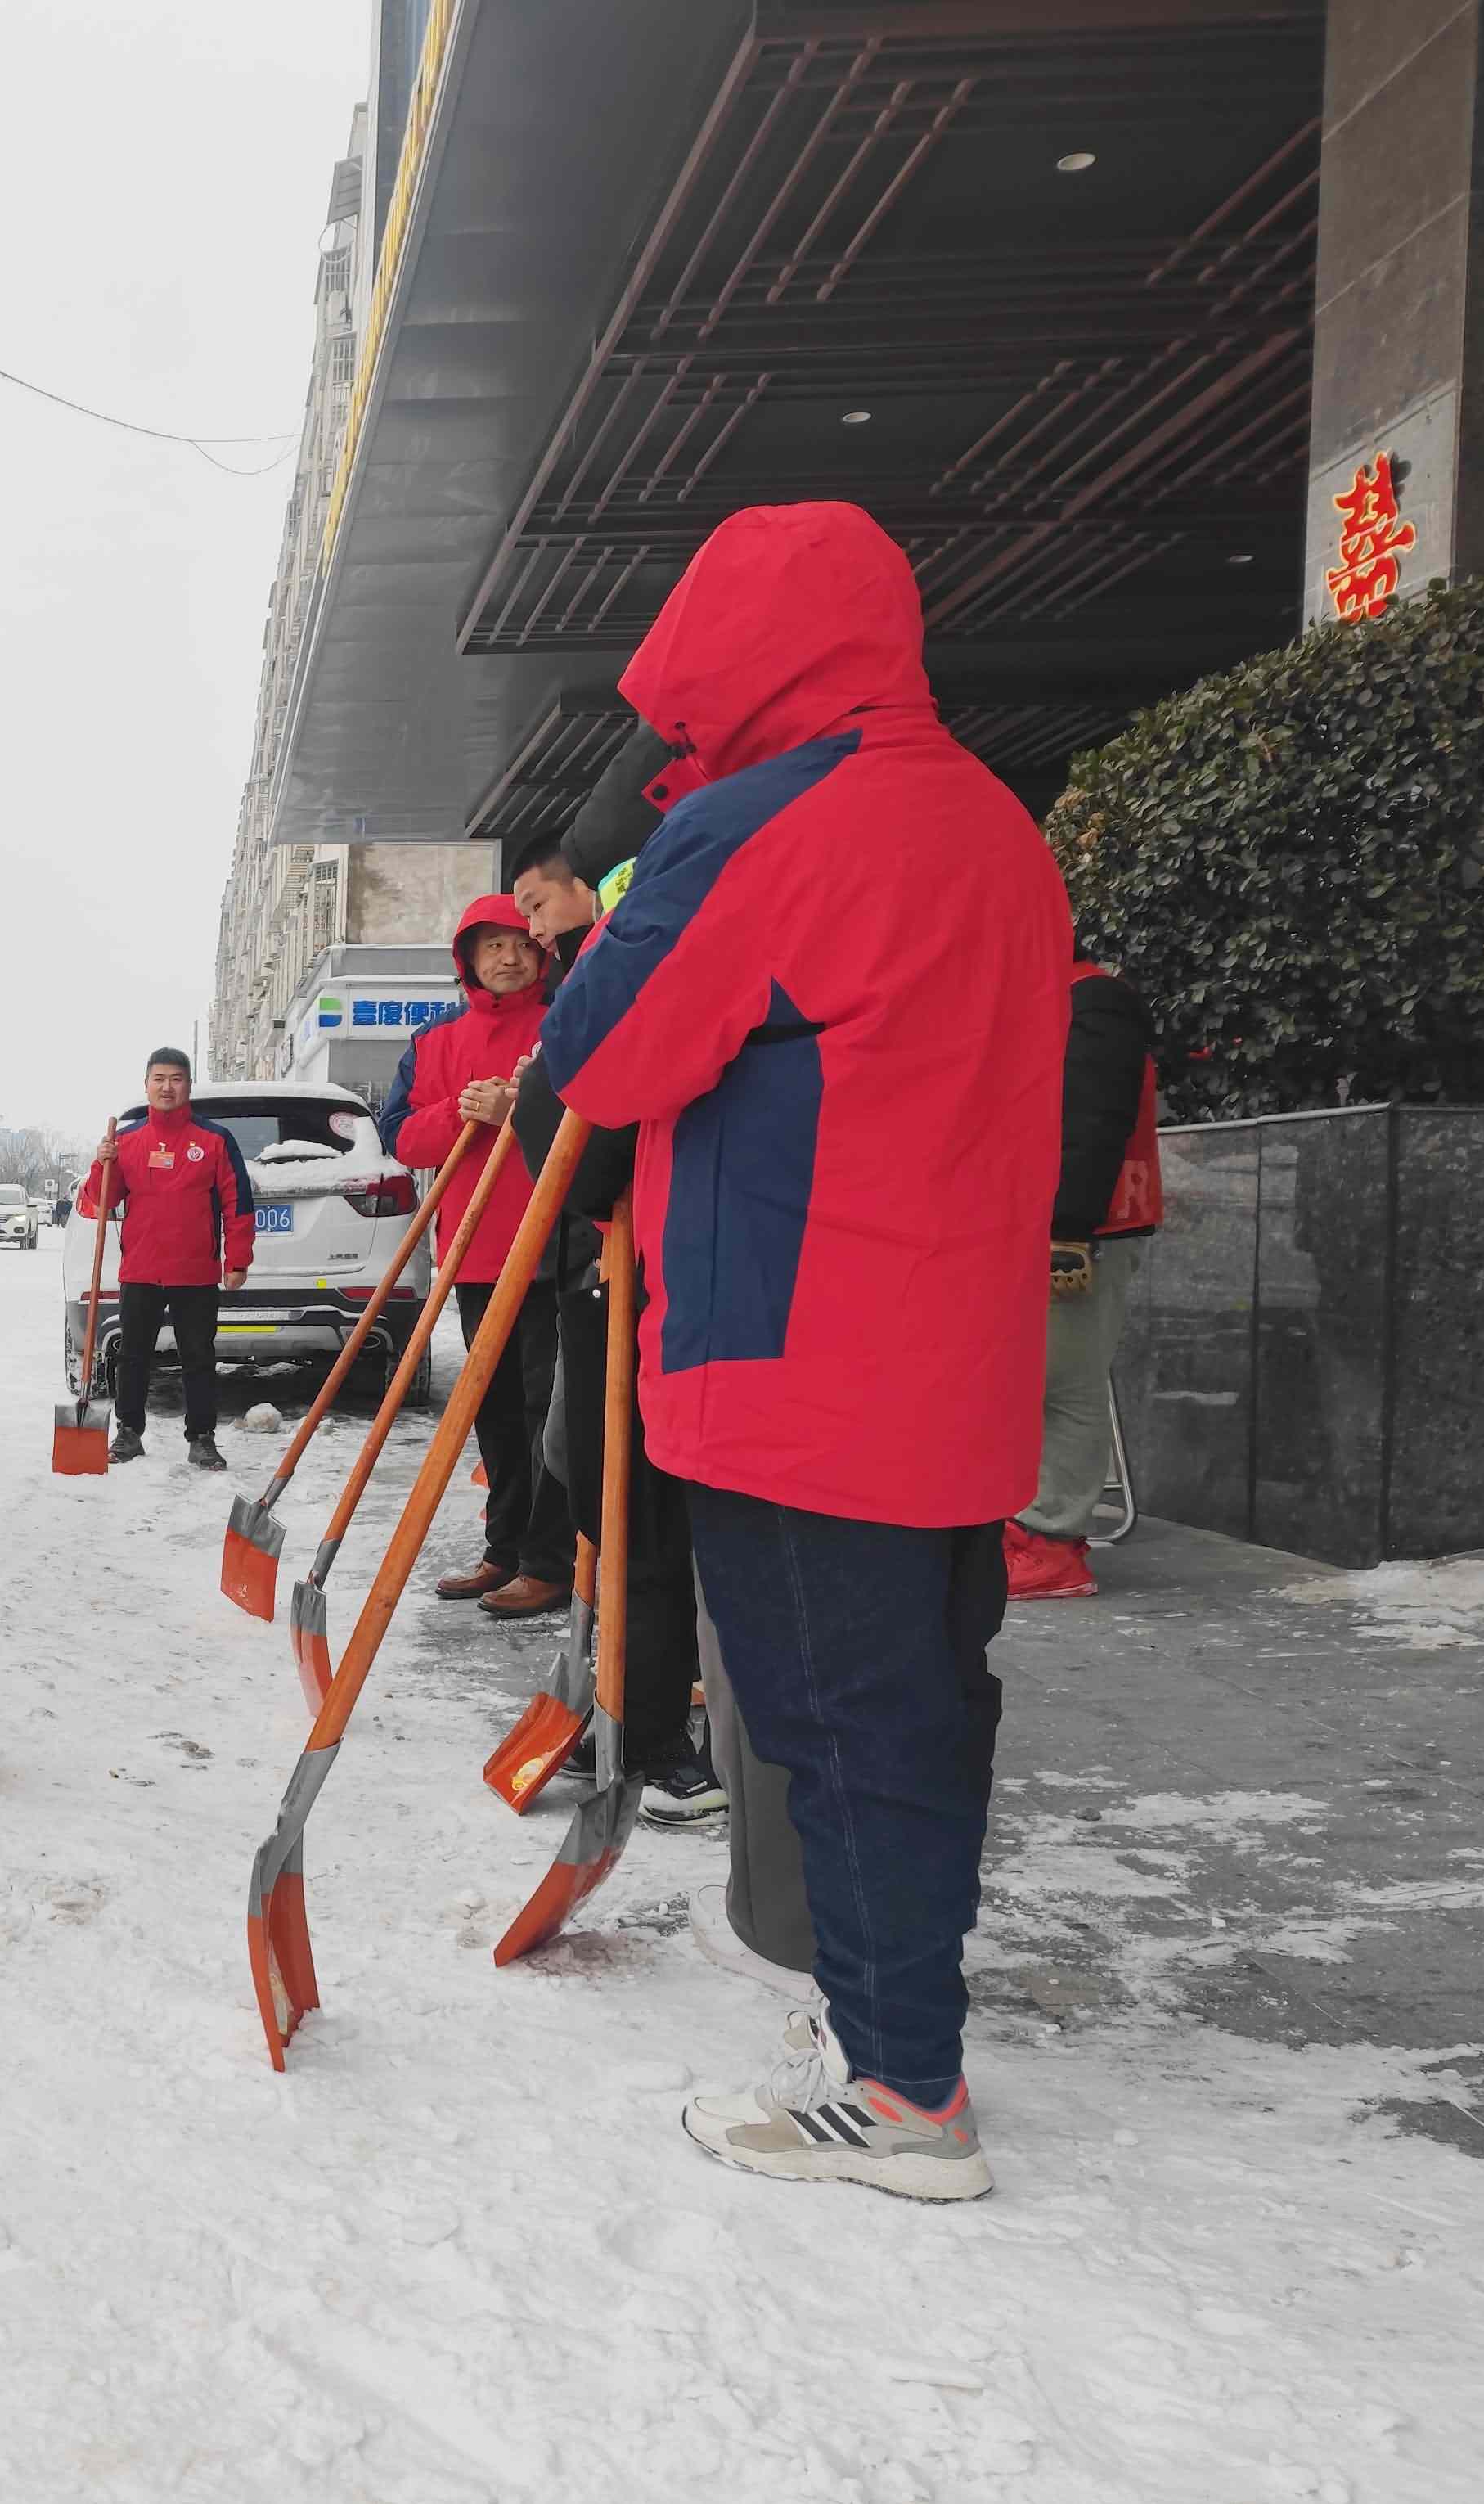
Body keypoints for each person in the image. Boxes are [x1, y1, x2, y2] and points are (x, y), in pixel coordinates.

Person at [541, 499, 1071, 2200]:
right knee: (923, 1715)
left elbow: (602, 1055)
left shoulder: (769, 824)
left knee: (835, 1729)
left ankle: (907, 2097)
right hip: (951, 1366)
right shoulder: (995, 823)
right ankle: (886, 2029)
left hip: (798, 1361)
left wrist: (677, 852)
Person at [500, 833, 722, 1826]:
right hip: (615, 1284)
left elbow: (591, 1163)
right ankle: (634, 1705)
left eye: (542, 908)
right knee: (608, 1500)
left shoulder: (649, 994)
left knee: (648, 1516)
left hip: (660, 1288)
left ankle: (664, 1733)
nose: (533, 933)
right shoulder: (594, 1004)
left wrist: (545, 1098)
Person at [392, 895, 576, 1622]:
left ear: (541, 949)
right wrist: (461, 1111)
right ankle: (504, 1548)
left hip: (557, 1248)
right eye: (490, 946)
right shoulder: (436, 1042)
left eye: (520, 943)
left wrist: (521, 1108)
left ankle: (548, 1559)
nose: (508, 958)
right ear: (467, 959)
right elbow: (406, 1140)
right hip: (475, 1253)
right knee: (492, 1410)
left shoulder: (564, 1024)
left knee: (547, 1410)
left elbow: (599, 1112)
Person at [1006, 961, 1160, 1600]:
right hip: (1063, 1219)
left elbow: (1092, 1119)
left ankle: (1051, 1542)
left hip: (1081, 1224)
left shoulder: (1089, 999)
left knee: (1061, 1381)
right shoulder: (1064, 995)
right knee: (1042, 1378)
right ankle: (1037, 1531)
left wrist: (1066, 1228)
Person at [74, 1046, 253, 1467]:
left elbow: (238, 1203)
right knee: (133, 1356)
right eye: (159, 1079)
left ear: (188, 1085)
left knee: (199, 1357)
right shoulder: (127, 1140)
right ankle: (129, 1433)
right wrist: (103, 1165)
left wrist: (237, 1261)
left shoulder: (214, 1140)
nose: (167, 1087)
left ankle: (202, 1437)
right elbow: (100, 1201)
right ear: (147, 1085)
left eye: (176, 1079)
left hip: (195, 1271)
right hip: (141, 1268)